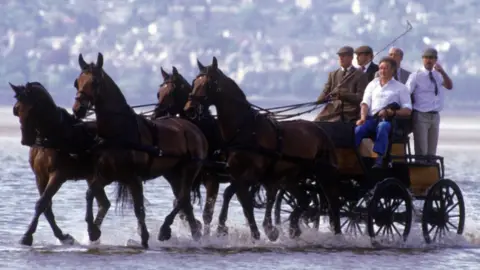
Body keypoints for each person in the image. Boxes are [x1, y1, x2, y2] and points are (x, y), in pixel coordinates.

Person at [355, 56, 412, 168]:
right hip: (372, 119)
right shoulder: (373, 84)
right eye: (380, 68)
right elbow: (365, 103)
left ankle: (379, 159)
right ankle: (355, 156)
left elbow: (408, 110)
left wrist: (392, 113)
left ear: (393, 70)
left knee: (383, 127)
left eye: (385, 68)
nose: (382, 71)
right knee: (358, 129)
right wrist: (362, 117)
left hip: (389, 121)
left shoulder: (401, 88)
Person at [405, 48, 453, 158]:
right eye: (426, 58)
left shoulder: (438, 75)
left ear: (435, 60)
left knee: (432, 151)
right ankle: (420, 170)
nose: (428, 60)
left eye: (431, 58)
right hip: (421, 115)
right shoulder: (416, 75)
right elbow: (406, 93)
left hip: (435, 116)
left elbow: (449, 86)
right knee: (422, 150)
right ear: (422, 59)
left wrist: (442, 72)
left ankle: (430, 171)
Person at [315, 46, 368, 122]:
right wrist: (320, 100)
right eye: (339, 56)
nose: (341, 58)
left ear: (351, 57)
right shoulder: (333, 74)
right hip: (332, 110)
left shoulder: (360, 75)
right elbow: (325, 91)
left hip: (349, 112)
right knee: (315, 123)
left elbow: (360, 97)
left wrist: (344, 95)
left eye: (343, 56)